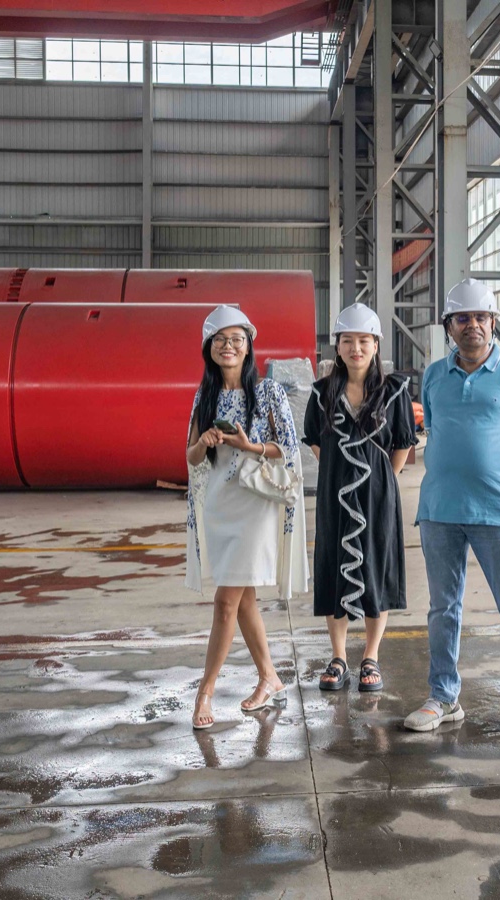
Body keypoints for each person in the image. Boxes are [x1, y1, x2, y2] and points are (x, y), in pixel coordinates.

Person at [403, 279, 500, 740]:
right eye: (463, 318)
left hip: (498, 509)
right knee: (443, 608)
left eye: (481, 317)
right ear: (449, 326)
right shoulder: (433, 375)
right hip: (440, 508)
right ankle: (444, 696)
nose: (473, 325)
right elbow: (436, 430)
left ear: (493, 322)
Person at [184, 305, 305, 729]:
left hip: (254, 506)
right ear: (209, 348)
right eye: (220, 340)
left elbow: (287, 448)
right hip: (221, 505)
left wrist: (248, 445)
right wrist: (206, 441)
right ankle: (269, 676)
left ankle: (206, 689)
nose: (229, 346)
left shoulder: (268, 392)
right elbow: (191, 456)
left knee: (225, 602)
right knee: (244, 599)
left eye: (236, 339)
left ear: (248, 345)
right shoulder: (205, 395)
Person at [303, 303, 417, 693]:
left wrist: (381, 481)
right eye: (348, 341)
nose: (356, 348)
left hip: (379, 497)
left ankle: (371, 656)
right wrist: (340, 472)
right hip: (334, 496)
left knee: (376, 571)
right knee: (335, 568)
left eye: (364, 340)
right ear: (337, 347)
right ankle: (338, 657)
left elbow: (402, 443)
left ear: (376, 345)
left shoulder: (393, 391)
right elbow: (316, 441)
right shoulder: (322, 393)